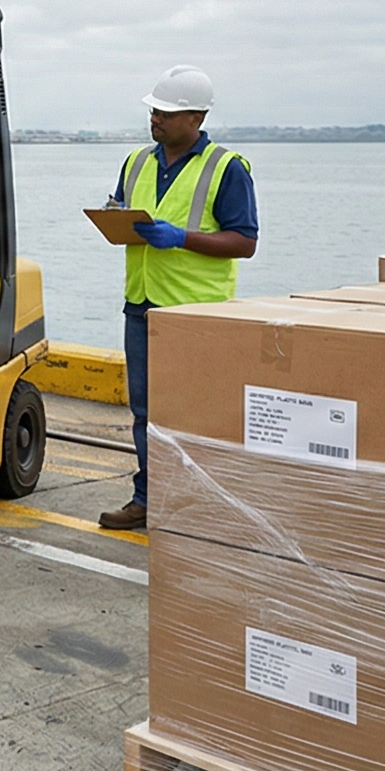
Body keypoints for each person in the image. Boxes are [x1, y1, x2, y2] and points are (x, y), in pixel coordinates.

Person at [99, 65, 258, 531]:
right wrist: (115, 220)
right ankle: (148, 499)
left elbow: (244, 241)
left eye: (167, 113)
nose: (156, 119)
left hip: (197, 311)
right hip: (142, 305)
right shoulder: (136, 162)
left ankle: (207, 507)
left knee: (199, 412)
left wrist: (181, 238)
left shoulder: (226, 168)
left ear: (197, 117)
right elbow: (121, 209)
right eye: (154, 111)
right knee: (145, 413)